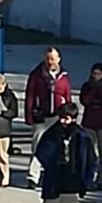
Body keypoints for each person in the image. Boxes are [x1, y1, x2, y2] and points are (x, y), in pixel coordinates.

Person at [24, 47, 72, 186]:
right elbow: (30, 96)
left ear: (58, 59)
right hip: (41, 117)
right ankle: (33, 177)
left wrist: (69, 115)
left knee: (58, 148)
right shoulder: (37, 74)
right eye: (47, 58)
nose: (50, 61)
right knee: (38, 147)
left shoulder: (64, 76)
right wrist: (29, 115)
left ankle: (55, 176)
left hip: (58, 117)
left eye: (52, 58)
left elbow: (67, 96)